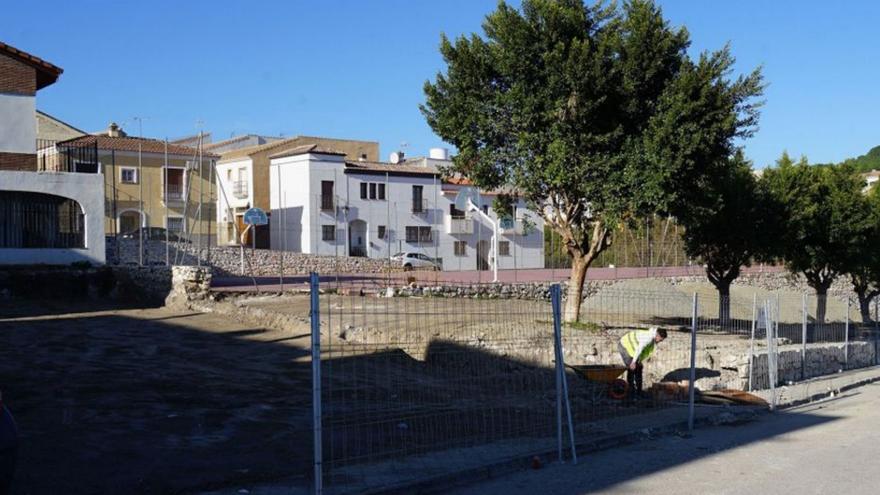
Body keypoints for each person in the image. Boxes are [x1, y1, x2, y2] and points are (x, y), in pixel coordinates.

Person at [618, 327, 667, 399]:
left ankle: (639, 391)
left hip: (632, 350)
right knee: (632, 369)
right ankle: (631, 392)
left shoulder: (652, 337)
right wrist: (633, 362)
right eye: (660, 340)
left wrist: (639, 361)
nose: (660, 341)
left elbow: (643, 351)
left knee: (639, 368)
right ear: (657, 335)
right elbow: (639, 349)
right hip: (625, 346)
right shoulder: (648, 338)